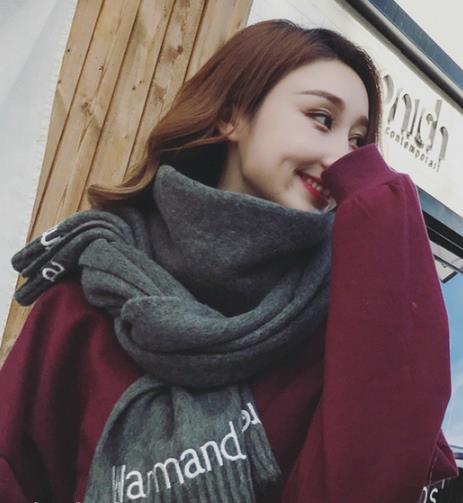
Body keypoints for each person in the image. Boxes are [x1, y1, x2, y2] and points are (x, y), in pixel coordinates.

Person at [0, 18, 458, 503]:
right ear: (231, 115)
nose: (340, 160)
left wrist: (382, 202)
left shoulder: (340, 325)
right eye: (322, 119)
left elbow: (370, 480)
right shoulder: (91, 295)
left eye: (357, 143)